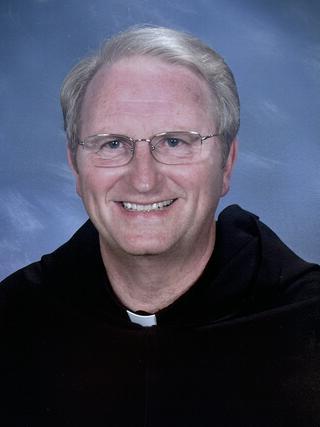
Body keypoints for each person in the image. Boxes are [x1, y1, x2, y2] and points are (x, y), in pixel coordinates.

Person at [1, 25, 320, 426]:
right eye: (112, 143)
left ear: (227, 163)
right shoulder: (12, 321)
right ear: (76, 167)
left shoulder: (309, 325)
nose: (144, 180)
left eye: (175, 142)